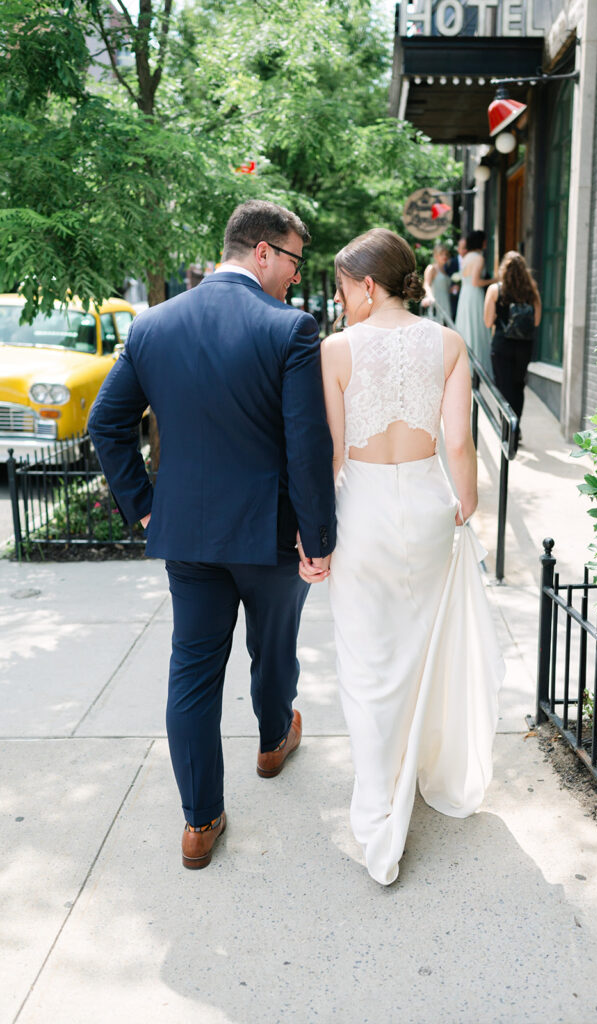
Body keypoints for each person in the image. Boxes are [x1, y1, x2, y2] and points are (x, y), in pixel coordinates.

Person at [88, 200, 336, 870]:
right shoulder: (290, 329)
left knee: (192, 677)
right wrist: (319, 537)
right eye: (291, 260)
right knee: (273, 648)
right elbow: (306, 446)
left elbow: (105, 425)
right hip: (273, 535)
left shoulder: (153, 326)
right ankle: (272, 739)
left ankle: (200, 822)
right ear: (261, 251)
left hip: (190, 538)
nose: (293, 275)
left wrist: (145, 506)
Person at [306, 228, 504, 886]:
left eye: (342, 287)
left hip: (360, 512)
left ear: (366, 285)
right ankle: (416, 772)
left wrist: (315, 532)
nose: (341, 300)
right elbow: (458, 441)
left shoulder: (335, 350)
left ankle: (377, 810)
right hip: (425, 512)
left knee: (366, 662)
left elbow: (331, 455)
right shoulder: (447, 344)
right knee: (420, 651)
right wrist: (468, 500)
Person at [484, 250, 541, 432]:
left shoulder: (495, 290)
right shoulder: (532, 291)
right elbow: (537, 321)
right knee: (518, 386)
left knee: (503, 386)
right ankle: (516, 428)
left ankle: (507, 428)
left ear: (503, 269)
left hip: (502, 344)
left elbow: (487, 321)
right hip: (524, 345)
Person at [454, 230, 494, 375]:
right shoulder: (478, 258)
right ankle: (477, 368)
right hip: (474, 295)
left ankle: (467, 366)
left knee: (467, 327)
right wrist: (495, 280)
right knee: (476, 327)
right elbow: (477, 281)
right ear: (481, 242)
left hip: (465, 295)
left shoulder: (466, 257)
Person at [421, 242, 452, 320]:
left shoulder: (445, 271)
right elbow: (426, 284)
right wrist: (430, 297)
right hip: (436, 303)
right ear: (436, 255)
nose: (444, 256)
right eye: (441, 254)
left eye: (446, 254)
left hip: (446, 302)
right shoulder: (431, 268)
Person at [446, 235, 467, 320]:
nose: (465, 250)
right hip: (454, 300)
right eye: (463, 248)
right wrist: (452, 288)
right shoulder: (451, 263)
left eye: (467, 248)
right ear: (458, 249)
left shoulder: (473, 261)